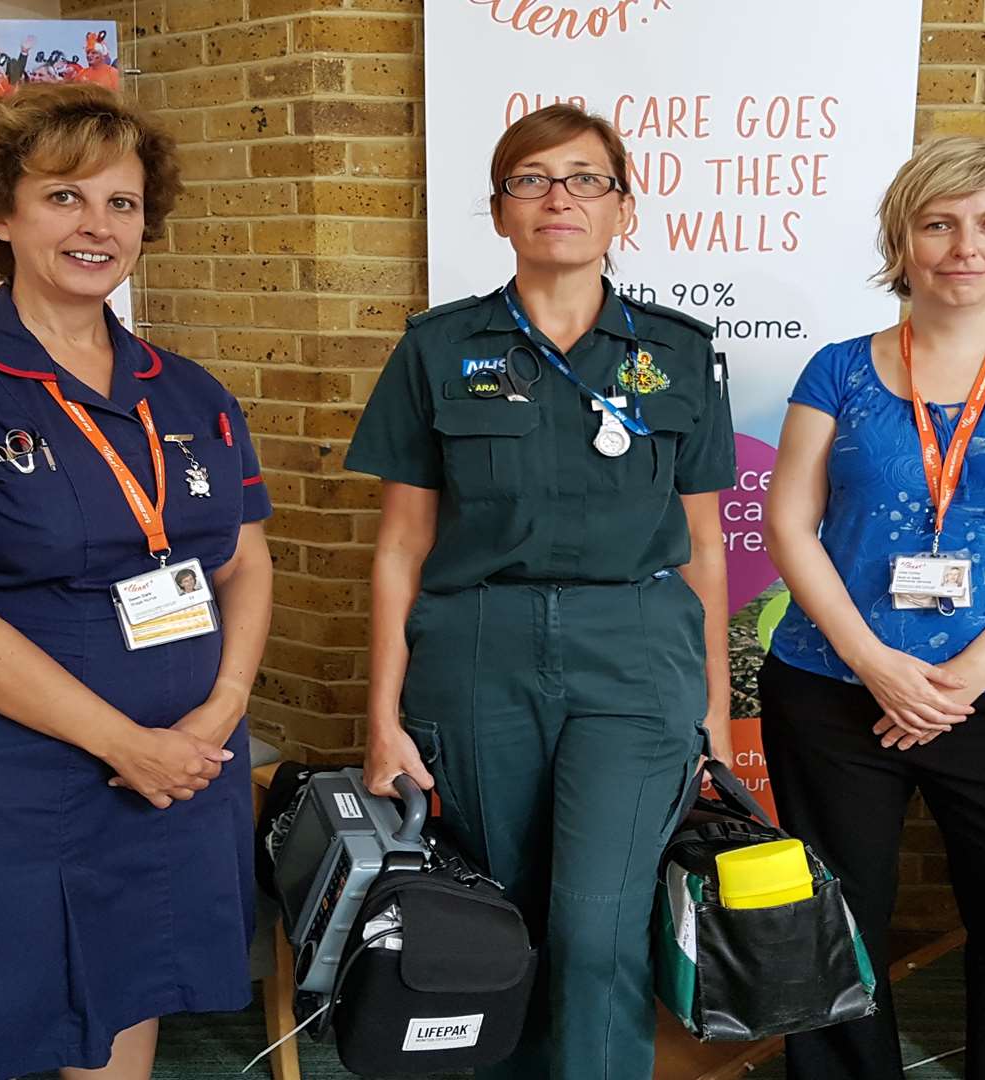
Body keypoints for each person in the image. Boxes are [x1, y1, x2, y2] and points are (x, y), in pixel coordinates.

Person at [0, 83, 274, 1080]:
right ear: (0, 213)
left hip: (174, 767)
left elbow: (245, 561)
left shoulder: (192, 390)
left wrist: (219, 713)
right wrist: (131, 744)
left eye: (121, 203)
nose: (97, 226)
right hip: (0, 779)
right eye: (64, 196)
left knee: (130, 983)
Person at [347, 103, 736, 1079]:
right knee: (502, 918)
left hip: (636, 650)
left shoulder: (681, 354)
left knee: (599, 926)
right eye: (531, 180)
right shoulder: (437, 350)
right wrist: (381, 718)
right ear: (498, 212)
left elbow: (703, 545)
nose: (559, 197)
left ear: (623, 211)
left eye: (586, 179)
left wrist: (716, 717)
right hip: (479, 652)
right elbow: (400, 546)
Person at [761, 135, 985, 1079]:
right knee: (837, 920)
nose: (967, 245)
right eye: (940, 223)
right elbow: (787, 524)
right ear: (903, 239)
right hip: (835, 689)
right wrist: (878, 664)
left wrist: (969, 675)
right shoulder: (838, 369)